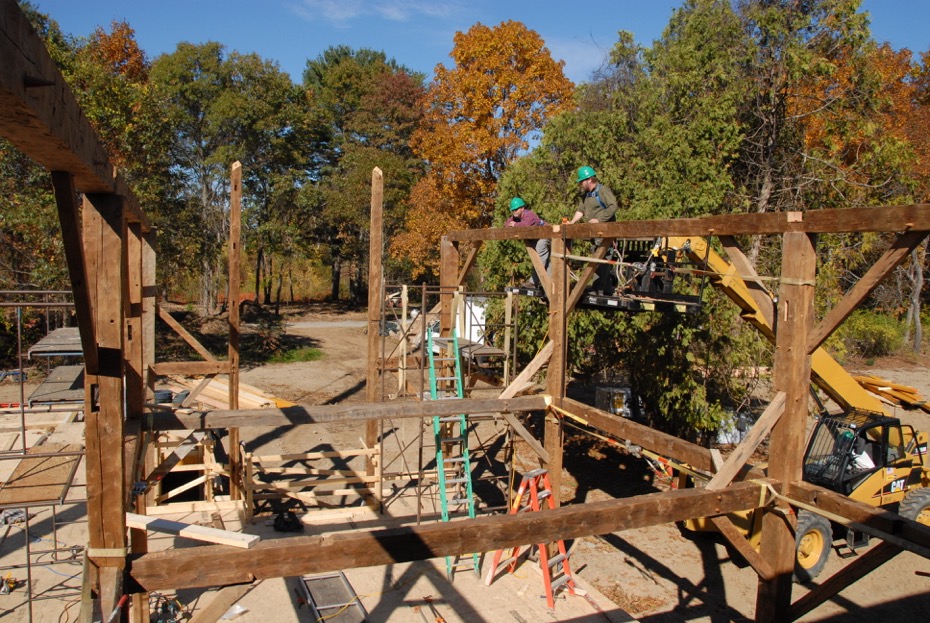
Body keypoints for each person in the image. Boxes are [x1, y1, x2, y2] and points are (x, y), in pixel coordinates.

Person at [567, 166, 618, 295]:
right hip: (595, 235)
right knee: (599, 259)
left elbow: (613, 206)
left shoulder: (603, 190)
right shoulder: (586, 195)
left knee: (602, 260)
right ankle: (604, 289)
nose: (580, 184)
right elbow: (581, 210)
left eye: (581, 181)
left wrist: (599, 219)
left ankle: (598, 288)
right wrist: (572, 222)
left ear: (589, 180)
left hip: (606, 232)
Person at [505, 197, 550, 288]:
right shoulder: (516, 217)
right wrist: (513, 225)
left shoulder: (530, 215)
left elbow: (525, 226)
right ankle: (548, 282)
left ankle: (534, 282)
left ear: (522, 208)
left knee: (540, 253)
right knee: (545, 260)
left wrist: (515, 225)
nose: (514, 212)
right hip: (535, 237)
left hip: (545, 234)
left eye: (516, 209)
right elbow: (506, 224)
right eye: (512, 210)